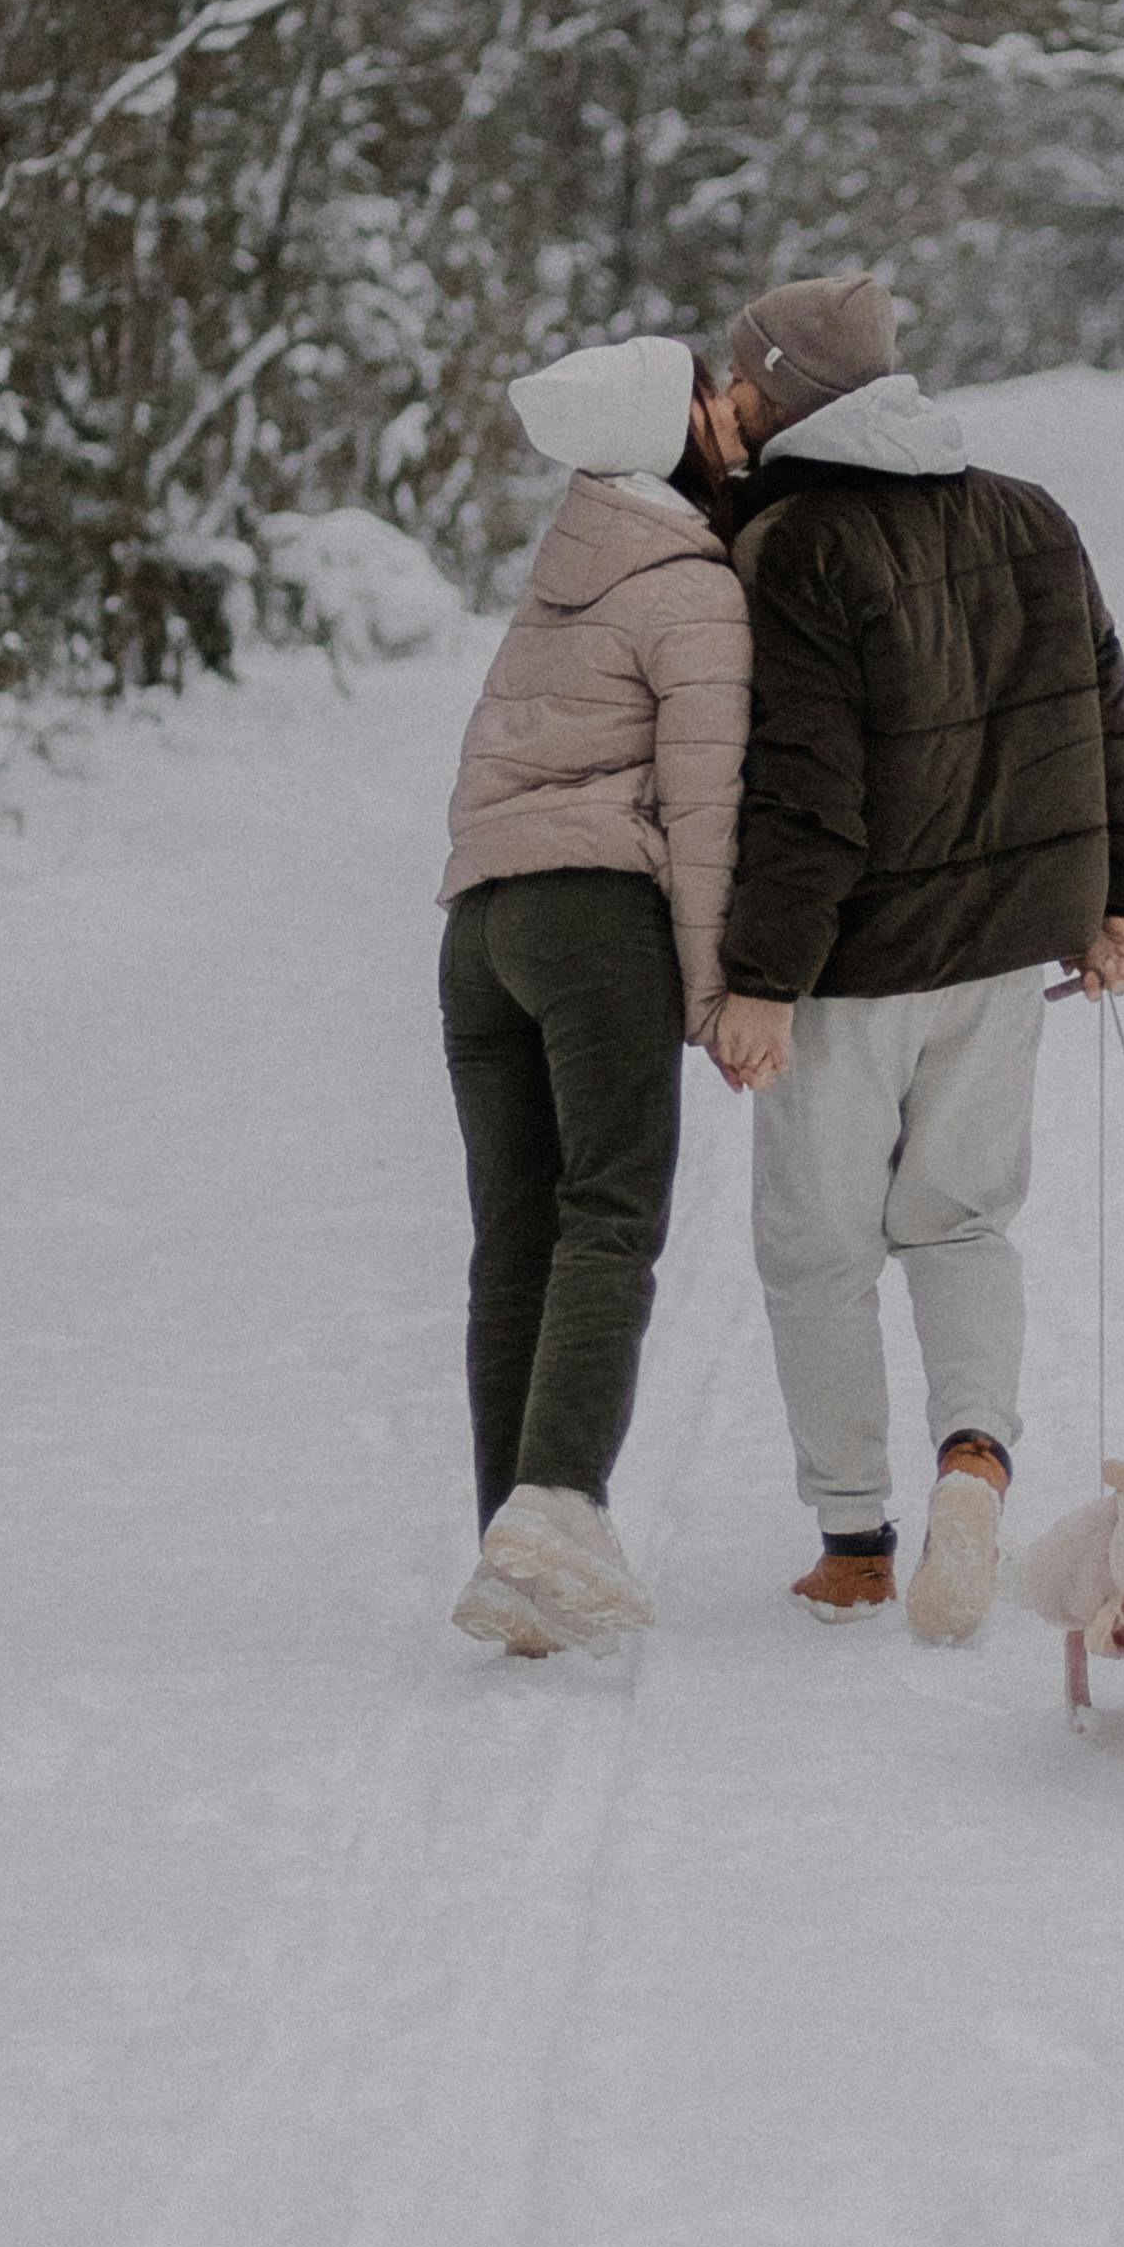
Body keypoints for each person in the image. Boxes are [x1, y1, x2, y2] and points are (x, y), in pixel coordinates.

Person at [701, 270, 1124, 1640]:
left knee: (818, 1248)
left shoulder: (794, 549)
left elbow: (804, 788)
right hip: (999, 959)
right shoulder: (1028, 513)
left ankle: (854, 1542)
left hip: (848, 968)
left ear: (776, 390)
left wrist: (763, 977)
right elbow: (1105, 711)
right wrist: (1119, 896)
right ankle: (977, 1460)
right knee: (960, 1221)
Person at [435, 333, 749, 1661]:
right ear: (668, 430)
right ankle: (559, 1504)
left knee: (515, 1238)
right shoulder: (688, 587)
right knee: (610, 1216)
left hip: (478, 932)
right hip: (593, 918)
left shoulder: (564, 565)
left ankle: (513, 1545)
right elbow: (705, 806)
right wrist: (718, 990)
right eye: (704, 398)